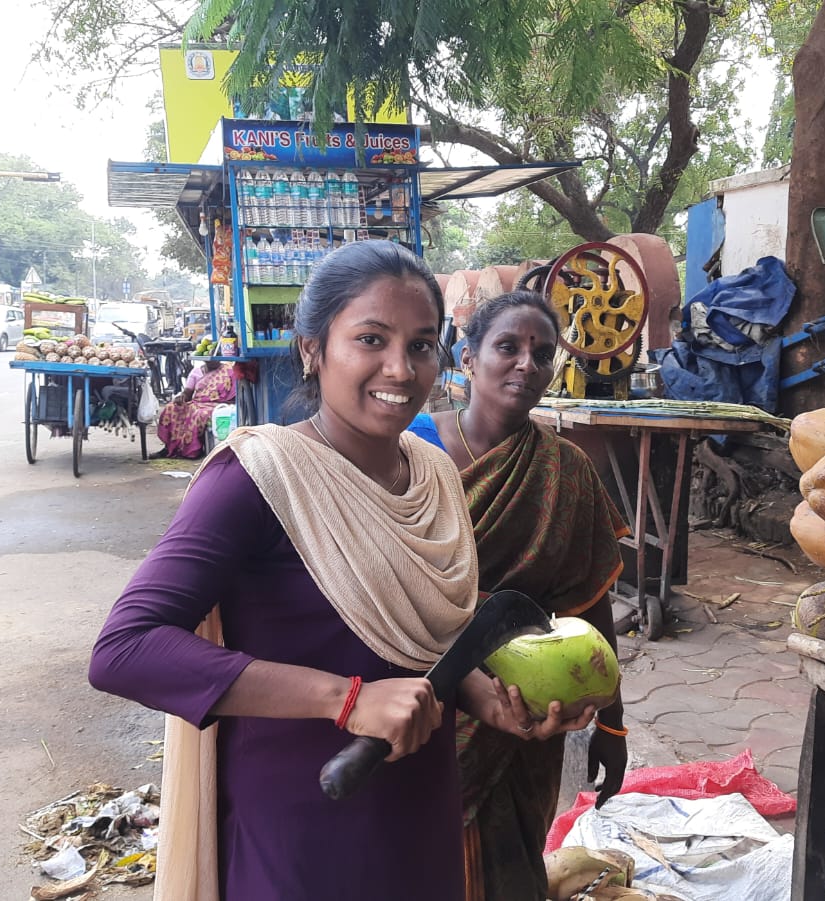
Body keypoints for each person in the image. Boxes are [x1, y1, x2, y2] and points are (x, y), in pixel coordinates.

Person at [88, 242, 593, 900]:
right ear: (312, 348)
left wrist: (482, 696)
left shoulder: (433, 473)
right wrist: (346, 699)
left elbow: (419, 641)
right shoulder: (259, 478)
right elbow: (124, 649)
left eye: (420, 345)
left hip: (421, 814)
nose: (400, 367)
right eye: (371, 339)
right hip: (305, 826)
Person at [408, 290, 632, 901]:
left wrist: (611, 725)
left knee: (512, 870)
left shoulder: (566, 469)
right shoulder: (411, 453)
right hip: (428, 697)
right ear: (468, 357)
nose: (526, 364)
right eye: (508, 346)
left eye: (542, 353)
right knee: (423, 859)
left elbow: (590, 604)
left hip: (530, 709)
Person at [154, 360, 238, 459]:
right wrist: (181, 397)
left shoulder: (228, 371)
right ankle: (169, 448)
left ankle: (192, 451)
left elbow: (233, 396)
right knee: (171, 408)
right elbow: (187, 393)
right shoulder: (197, 372)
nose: (211, 362)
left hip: (217, 404)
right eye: (208, 361)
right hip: (197, 402)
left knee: (199, 414)